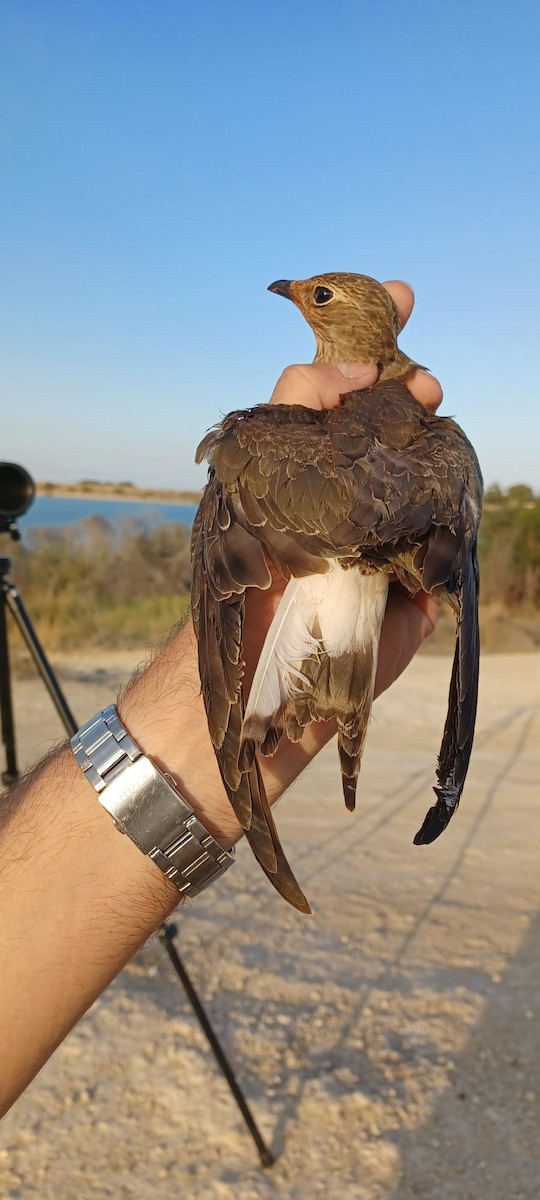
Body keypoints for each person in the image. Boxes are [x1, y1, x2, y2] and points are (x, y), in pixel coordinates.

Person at [0, 281, 442, 1117]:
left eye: (314, 295)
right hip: (347, 591)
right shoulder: (437, 448)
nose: (293, 294)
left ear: (344, 321)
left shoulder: (273, 435)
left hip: (326, 604)